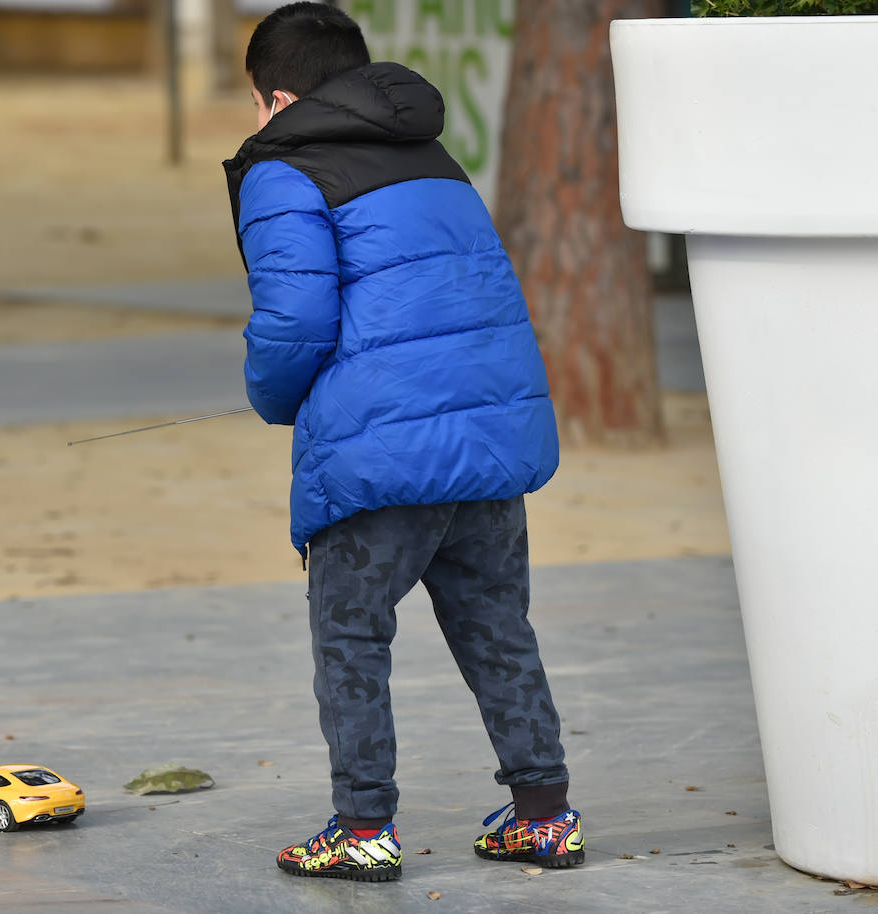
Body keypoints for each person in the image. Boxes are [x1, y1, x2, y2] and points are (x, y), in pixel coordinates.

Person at [222, 2, 581, 883]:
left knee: (350, 638)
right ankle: (543, 817)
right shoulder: (435, 160)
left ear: (275, 97)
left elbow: (295, 320)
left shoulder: (281, 168)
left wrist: (271, 397)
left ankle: (361, 827)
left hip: (379, 458)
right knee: (499, 628)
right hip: (487, 445)